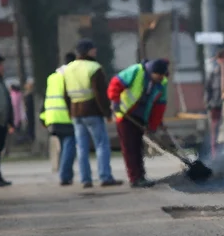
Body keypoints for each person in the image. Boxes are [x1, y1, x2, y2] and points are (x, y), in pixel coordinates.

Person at [62, 38, 122, 189]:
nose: (95, 51)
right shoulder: (94, 67)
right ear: (87, 51)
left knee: (81, 147)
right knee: (101, 144)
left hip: (76, 112)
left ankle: (85, 179)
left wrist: (70, 111)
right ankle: (105, 176)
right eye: (93, 49)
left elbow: (65, 94)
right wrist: (107, 113)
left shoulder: (68, 68)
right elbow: (100, 93)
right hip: (92, 111)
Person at [108, 58, 169, 188]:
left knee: (138, 147)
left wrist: (153, 126)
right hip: (126, 115)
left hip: (141, 118)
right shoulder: (136, 71)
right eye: (159, 75)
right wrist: (115, 101)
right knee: (130, 148)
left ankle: (140, 175)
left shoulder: (162, 82)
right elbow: (115, 83)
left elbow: (159, 106)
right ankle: (135, 178)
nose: (160, 78)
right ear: (152, 71)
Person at [40, 52, 77, 186]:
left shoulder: (52, 77)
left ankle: (66, 174)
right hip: (66, 117)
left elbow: (46, 98)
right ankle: (65, 175)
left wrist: (42, 117)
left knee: (63, 147)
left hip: (52, 117)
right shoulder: (70, 76)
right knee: (69, 146)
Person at [204, 49, 224, 158]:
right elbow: (208, 90)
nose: (222, 61)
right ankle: (216, 155)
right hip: (215, 107)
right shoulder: (214, 74)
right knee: (215, 133)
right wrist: (208, 103)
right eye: (220, 59)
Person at [0, 55, 14, 186]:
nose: (3, 68)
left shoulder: (0, 81)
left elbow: (6, 102)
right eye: (0, 65)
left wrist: (9, 120)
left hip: (1, 122)